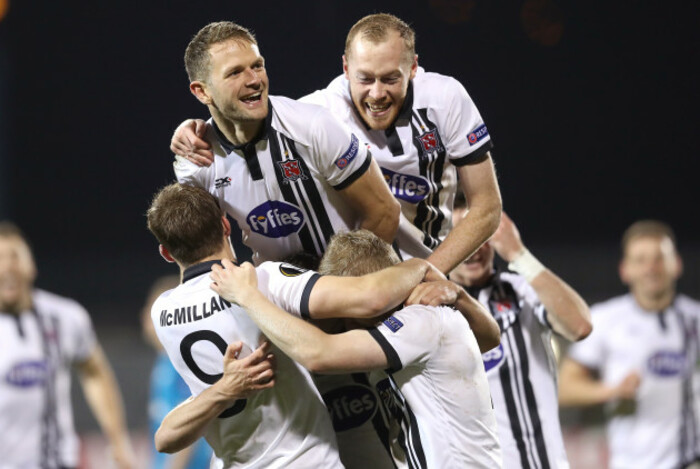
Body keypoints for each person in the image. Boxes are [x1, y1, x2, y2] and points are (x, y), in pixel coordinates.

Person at [171, 13, 502, 274]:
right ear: (345, 68)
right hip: (346, 282)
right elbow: (259, 120)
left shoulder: (445, 99)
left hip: (429, 268)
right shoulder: (321, 113)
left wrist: (430, 274)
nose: (376, 93)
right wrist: (196, 127)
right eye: (364, 78)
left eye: (390, 78)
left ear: (413, 68)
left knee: (483, 336)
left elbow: (486, 207)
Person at [145, 183, 443, 468]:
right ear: (226, 226)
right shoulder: (264, 281)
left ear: (166, 253)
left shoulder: (163, 312)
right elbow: (370, 298)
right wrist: (421, 265)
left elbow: (168, 436)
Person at [209, 230, 503, 468]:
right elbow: (489, 339)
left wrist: (248, 296)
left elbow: (319, 354)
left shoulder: (420, 318)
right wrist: (460, 296)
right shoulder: (401, 332)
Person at [174, 21, 399, 265]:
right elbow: (205, 253)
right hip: (272, 295)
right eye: (235, 72)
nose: (254, 80)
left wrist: (339, 288)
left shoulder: (314, 126)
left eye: (257, 66)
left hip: (346, 281)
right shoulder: (196, 161)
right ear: (201, 92)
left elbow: (384, 211)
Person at [448, 193, 592, 469]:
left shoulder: (520, 290)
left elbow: (580, 325)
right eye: (460, 235)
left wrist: (519, 254)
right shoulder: (429, 308)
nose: (473, 247)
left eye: (479, 234)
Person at [559, 220, 700, 469]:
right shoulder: (605, 319)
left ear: (676, 265)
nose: (651, 268)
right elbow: (564, 389)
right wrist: (612, 391)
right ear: (625, 270)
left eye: (659, 258)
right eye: (641, 260)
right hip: (630, 463)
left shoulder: (694, 320)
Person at [0, 222, 135, 469]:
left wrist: (117, 440)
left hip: (58, 462)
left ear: (31, 265)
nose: (8, 266)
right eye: (0, 258)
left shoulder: (65, 316)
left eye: (15, 257)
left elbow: (95, 372)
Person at [141, 275, 213, 469]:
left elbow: (194, 418)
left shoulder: (181, 363)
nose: (145, 315)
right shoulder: (163, 360)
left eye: (152, 308)